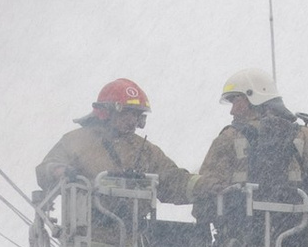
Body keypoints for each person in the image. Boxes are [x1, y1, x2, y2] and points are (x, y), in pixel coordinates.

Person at [191, 68, 308, 200]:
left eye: (236, 101)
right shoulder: (302, 136)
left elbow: (204, 195)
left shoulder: (227, 139)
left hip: (239, 237)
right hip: (297, 235)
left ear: (254, 98)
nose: (232, 111)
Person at [33, 78, 191, 200]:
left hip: (137, 235)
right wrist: (58, 171)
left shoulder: (143, 149)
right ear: (106, 112)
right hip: (92, 235)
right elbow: (44, 170)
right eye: (126, 113)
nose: (132, 120)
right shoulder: (76, 141)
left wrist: (202, 185)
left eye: (136, 114)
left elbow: (172, 179)